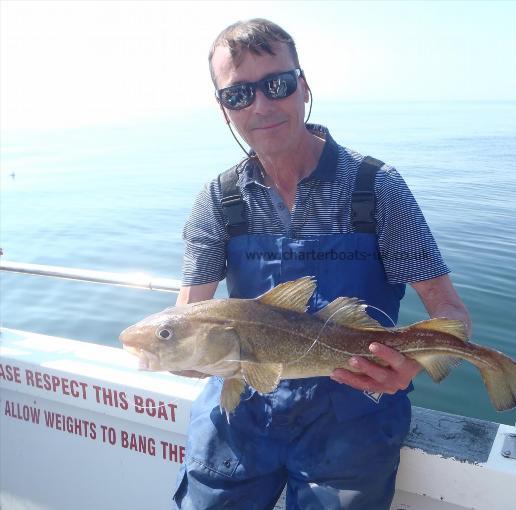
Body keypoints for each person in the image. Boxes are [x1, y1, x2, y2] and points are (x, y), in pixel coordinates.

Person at [172, 18, 471, 510]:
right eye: (239, 95)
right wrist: (180, 353)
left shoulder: (377, 189)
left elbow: (452, 316)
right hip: (241, 416)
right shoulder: (217, 200)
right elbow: (186, 317)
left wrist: (406, 366)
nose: (262, 106)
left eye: (278, 85)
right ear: (223, 109)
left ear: (304, 88)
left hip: (353, 417)